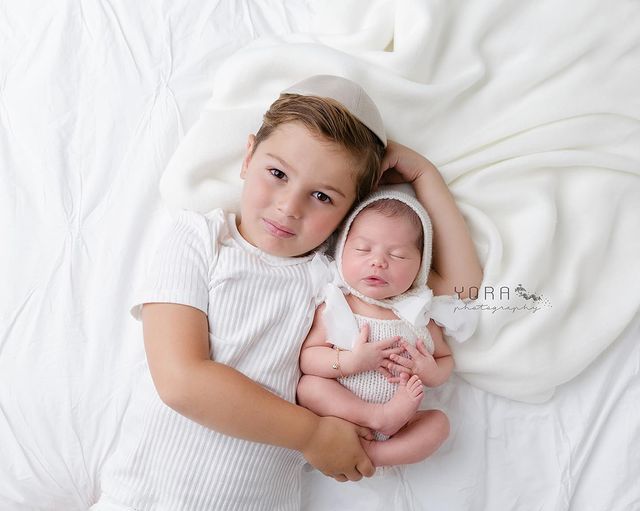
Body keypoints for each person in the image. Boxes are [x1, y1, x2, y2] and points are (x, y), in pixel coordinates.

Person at [91, 75, 483, 510]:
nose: (289, 207)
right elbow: (182, 380)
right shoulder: (198, 239)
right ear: (248, 157)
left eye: (322, 196)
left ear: (350, 212)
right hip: (143, 498)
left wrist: (424, 174)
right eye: (277, 174)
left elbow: (463, 288)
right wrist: (312, 435)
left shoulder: (333, 276)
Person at [297, 186, 477, 469]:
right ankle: (375, 416)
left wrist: (430, 372)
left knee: (438, 424)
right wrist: (351, 362)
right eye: (363, 249)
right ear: (342, 251)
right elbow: (308, 359)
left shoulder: (419, 315)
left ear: (420, 267)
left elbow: (445, 359)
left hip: (402, 420)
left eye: (398, 255)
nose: (378, 262)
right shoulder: (338, 305)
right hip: (341, 415)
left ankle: (374, 455)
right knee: (309, 387)